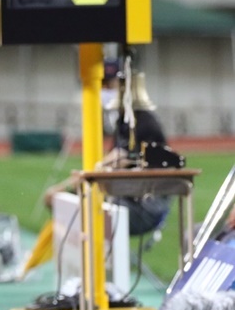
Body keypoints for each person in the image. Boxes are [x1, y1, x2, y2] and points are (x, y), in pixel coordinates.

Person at [43, 71, 171, 237]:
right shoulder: (123, 122)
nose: (105, 90)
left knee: (91, 209)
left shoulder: (143, 122)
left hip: (145, 207)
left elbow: (119, 159)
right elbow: (110, 163)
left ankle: (99, 259)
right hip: (125, 197)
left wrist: (75, 182)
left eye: (110, 85)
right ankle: (90, 257)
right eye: (103, 85)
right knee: (70, 203)